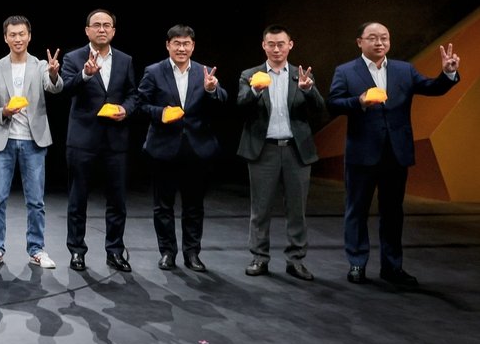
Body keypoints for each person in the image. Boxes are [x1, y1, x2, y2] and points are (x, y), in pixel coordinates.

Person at [328, 22, 460, 287]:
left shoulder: (404, 69)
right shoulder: (345, 71)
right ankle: (357, 263)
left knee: (393, 212)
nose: (379, 42)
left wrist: (447, 73)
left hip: (396, 153)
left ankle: (392, 267)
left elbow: (432, 87)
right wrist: (359, 101)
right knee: (356, 210)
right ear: (360, 42)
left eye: (384, 38)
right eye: (373, 38)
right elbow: (333, 104)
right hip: (362, 153)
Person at [136, 24, 229, 272]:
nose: (181, 48)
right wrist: (161, 112)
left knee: (194, 206)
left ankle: (192, 253)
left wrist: (211, 89)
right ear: (168, 45)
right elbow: (141, 104)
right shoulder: (154, 71)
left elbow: (222, 100)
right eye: (176, 43)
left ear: (193, 46)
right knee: (163, 206)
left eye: (186, 43)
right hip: (163, 148)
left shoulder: (205, 71)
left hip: (197, 148)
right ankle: (167, 252)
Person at [236, 25, 325, 281]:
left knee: (297, 210)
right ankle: (259, 258)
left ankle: (295, 260)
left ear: (290, 45)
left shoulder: (301, 74)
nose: (276, 49)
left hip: (296, 150)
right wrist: (255, 90)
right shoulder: (250, 74)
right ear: (264, 45)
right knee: (260, 209)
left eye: (281, 44)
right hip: (264, 149)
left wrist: (308, 89)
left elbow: (321, 108)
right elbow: (240, 104)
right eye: (271, 44)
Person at [0, 15, 64, 270]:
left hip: (33, 141)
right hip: (2, 142)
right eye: (13, 35)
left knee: (36, 201)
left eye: (22, 34)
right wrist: (4, 112)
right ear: (5, 38)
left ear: (29, 36)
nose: (18, 39)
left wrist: (54, 74)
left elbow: (54, 88)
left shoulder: (40, 65)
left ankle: (36, 249)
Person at [60, 9, 138, 273]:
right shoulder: (73, 58)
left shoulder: (125, 60)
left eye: (107, 25)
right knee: (77, 199)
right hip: (83, 139)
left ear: (113, 31)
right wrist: (85, 75)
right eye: (96, 25)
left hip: (116, 140)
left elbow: (133, 94)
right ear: (87, 30)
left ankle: (114, 251)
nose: (102, 29)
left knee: (117, 201)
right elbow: (66, 88)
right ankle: (77, 251)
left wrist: (126, 109)